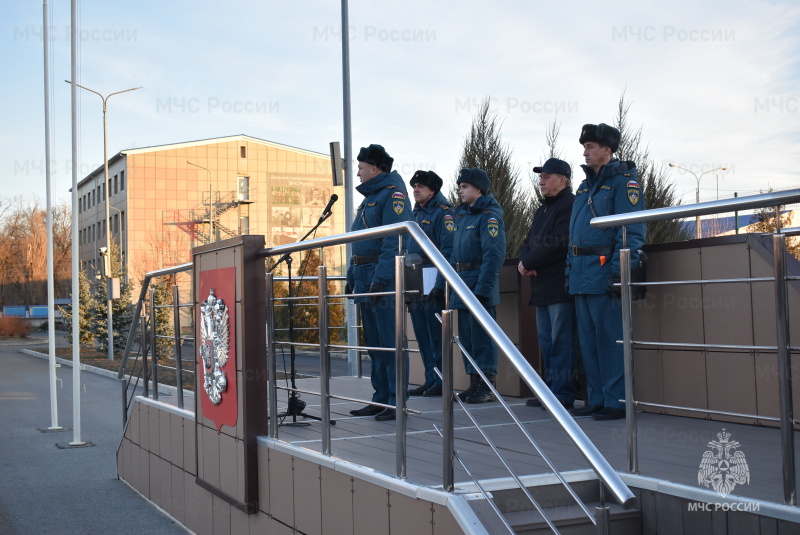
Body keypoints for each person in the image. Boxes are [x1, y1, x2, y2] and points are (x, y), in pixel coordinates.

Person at [566, 123, 646, 421]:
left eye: (589, 147)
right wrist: (568, 271)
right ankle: (597, 398)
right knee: (588, 343)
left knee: (610, 341)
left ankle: (617, 400)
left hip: (604, 274)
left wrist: (618, 273)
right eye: (584, 147)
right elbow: (574, 235)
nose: (585, 152)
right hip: (581, 276)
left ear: (607, 150)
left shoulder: (625, 184)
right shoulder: (586, 186)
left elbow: (632, 232)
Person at [345, 144, 412, 422]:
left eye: (361, 168)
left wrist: (381, 278)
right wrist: (351, 277)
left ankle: (397, 402)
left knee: (391, 342)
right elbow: (358, 243)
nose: (358, 173)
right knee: (375, 345)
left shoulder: (393, 196)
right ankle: (381, 398)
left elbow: (394, 241)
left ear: (375, 169)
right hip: (365, 279)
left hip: (382, 279)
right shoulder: (368, 199)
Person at [518, 158, 576, 410]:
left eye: (547, 177)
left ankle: (562, 394)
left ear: (562, 180)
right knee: (547, 342)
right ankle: (551, 392)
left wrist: (528, 261)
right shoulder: (542, 208)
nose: (541, 181)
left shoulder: (569, 204)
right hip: (541, 287)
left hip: (559, 285)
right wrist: (524, 260)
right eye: (540, 177)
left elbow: (558, 242)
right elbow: (529, 241)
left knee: (561, 341)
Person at [449, 168, 506, 404]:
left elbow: (493, 256)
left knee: (483, 338)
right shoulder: (462, 217)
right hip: (462, 284)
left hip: (478, 285)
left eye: (464, 186)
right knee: (468, 338)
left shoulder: (489, 217)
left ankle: (487, 385)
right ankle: (474, 383)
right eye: (460, 186)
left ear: (478, 189)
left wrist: (482, 289)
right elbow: (454, 254)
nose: (460, 190)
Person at [406, 170, 454, 398]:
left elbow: (447, 251)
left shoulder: (443, 214)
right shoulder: (414, 215)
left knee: (436, 334)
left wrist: (439, 283)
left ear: (432, 191)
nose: (415, 190)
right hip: (415, 277)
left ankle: (441, 379)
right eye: (414, 186)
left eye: (420, 187)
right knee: (421, 333)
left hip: (431, 277)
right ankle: (430, 378)